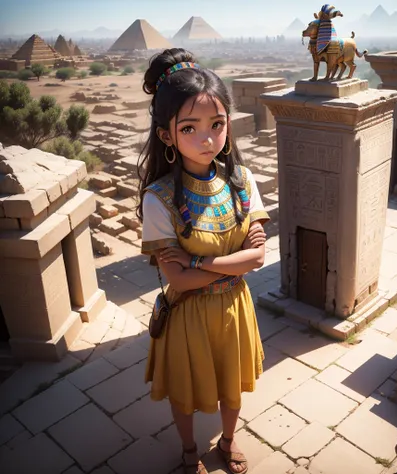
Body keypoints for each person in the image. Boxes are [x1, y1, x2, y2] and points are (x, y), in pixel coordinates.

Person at [137, 48, 270, 474]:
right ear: (166, 136)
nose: (208, 138)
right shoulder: (158, 198)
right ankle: (190, 450)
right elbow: (177, 279)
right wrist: (231, 260)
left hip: (233, 307)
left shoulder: (242, 183)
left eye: (217, 124)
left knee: (232, 387)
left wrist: (198, 264)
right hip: (188, 315)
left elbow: (260, 257)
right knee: (186, 391)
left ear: (229, 124)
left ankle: (228, 441)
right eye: (190, 128)